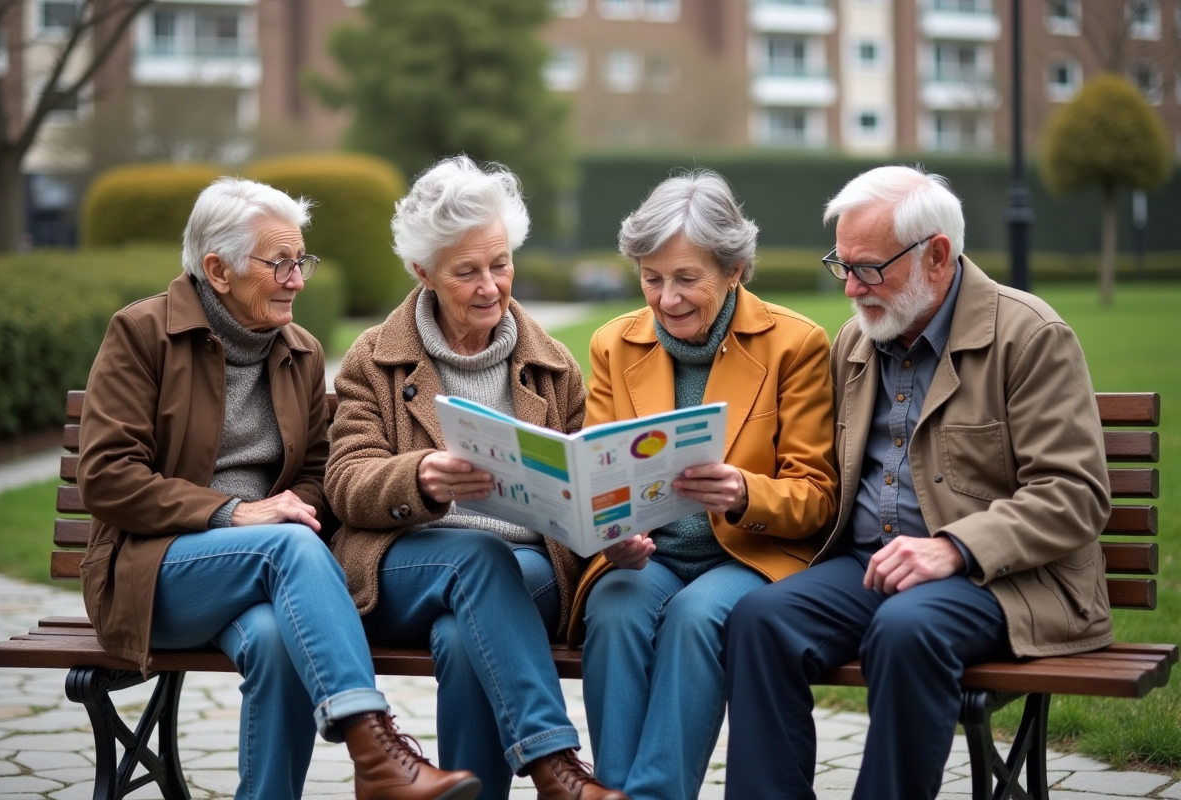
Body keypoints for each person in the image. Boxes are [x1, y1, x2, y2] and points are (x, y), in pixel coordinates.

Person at [76, 177, 481, 800]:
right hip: (153, 571)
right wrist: (233, 513)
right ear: (217, 269)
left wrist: (292, 508)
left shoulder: (300, 351)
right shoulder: (142, 334)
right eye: (280, 263)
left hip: (258, 575)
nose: (297, 279)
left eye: (302, 261)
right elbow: (107, 476)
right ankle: (375, 749)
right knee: (286, 546)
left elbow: (319, 473)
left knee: (275, 638)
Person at [723, 165, 1114, 800]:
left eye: (869, 268)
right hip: (871, 568)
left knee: (908, 629)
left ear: (937, 256)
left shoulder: (1029, 335)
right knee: (760, 620)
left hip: (1002, 581)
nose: (850, 287)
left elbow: (1075, 494)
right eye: (841, 265)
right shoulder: (856, 341)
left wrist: (953, 547)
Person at [326, 155, 627, 800]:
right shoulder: (374, 360)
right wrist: (421, 479)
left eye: (501, 263)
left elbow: (586, 483)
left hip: (531, 571)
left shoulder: (554, 367)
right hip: (403, 569)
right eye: (466, 272)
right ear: (422, 272)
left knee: (466, 639)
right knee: (475, 560)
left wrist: (608, 529)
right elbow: (346, 482)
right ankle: (555, 765)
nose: (490, 285)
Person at [567, 170, 839, 800]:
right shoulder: (614, 342)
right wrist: (613, 531)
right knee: (614, 607)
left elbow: (817, 496)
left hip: (748, 554)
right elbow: (598, 473)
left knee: (695, 618)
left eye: (687, 278)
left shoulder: (795, 343)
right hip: (652, 553)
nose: (666, 299)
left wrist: (745, 492)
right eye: (652, 277)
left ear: (735, 269)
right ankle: (616, 789)